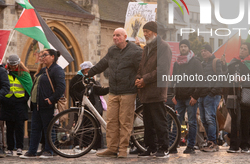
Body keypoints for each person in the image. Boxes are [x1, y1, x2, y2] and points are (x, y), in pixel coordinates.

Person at [87, 28, 143, 158]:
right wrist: (89, 73)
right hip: (113, 91)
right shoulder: (112, 50)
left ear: (125, 36)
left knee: (125, 121)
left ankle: (123, 149)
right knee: (111, 120)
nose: (115, 38)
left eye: (118, 35)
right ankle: (112, 148)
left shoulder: (135, 51)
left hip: (128, 91)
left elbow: (141, 69)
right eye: (113, 35)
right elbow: (102, 64)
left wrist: (139, 81)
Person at [135, 21, 172, 158]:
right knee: (148, 122)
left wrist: (145, 79)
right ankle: (151, 147)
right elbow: (141, 67)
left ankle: (164, 147)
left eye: (147, 32)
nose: (145, 34)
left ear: (155, 33)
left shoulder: (164, 47)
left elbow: (162, 70)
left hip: (156, 90)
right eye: (144, 32)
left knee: (159, 122)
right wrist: (138, 78)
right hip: (145, 91)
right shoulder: (147, 48)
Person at [20, 49, 66, 159]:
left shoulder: (57, 70)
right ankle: (32, 151)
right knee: (35, 129)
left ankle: (49, 151)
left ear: (52, 57)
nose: (42, 57)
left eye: (45, 55)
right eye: (41, 55)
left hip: (47, 105)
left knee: (48, 128)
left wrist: (51, 99)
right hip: (37, 105)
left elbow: (61, 88)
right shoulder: (44, 69)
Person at [226, 43, 250, 154]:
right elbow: (226, 76)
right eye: (241, 48)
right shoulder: (233, 62)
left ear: (249, 52)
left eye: (244, 49)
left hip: (247, 95)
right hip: (234, 94)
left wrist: (243, 79)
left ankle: (245, 145)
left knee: (246, 120)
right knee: (235, 120)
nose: (242, 50)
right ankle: (234, 145)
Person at [69, 61, 109, 152]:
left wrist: (108, 89)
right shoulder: (76, 79)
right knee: (80, 126)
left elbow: (97, 90)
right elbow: (72, 92)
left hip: (90, 106)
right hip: (80, 106)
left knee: (89, 126)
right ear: (86, 69)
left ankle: (87, 146)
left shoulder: (90, 79)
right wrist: (82, 97)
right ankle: (77, 146)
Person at [172, 39, 203, 154]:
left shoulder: (195, 62)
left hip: (190, 98)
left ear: (189, 48)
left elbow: (200, 80)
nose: (183, 48)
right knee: (176, 121)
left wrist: (195, 96)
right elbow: (174, 80)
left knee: (192, 122)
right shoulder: (177, 63)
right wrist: (174, 95)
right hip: (179, 98)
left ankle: (190, 146)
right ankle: (174, 145)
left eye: (185, 46)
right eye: (181, 46)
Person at [0, 55, 33, 156]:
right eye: (11, 65)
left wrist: (24, 98)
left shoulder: (24, 74)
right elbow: (0, 85)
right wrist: (3, 98)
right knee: (9, 127)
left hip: (20, 102)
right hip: (7, 102)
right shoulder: (4, 72)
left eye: (15, 65)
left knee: (19, 126)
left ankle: (19, 147)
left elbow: (29, 88)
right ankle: (10, 148)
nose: (13, 67)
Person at [198, 44, 223, 152]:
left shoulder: (216, 62)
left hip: (212, 95)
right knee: (203, 120)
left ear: (210, 52)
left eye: (205, 50)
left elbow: (220, 78)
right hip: (202, 95)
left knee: (210, 118)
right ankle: (209, 141)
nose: (203, 53)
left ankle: (213, 142)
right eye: (202, 51)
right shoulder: (202, 64)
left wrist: (212, 92)